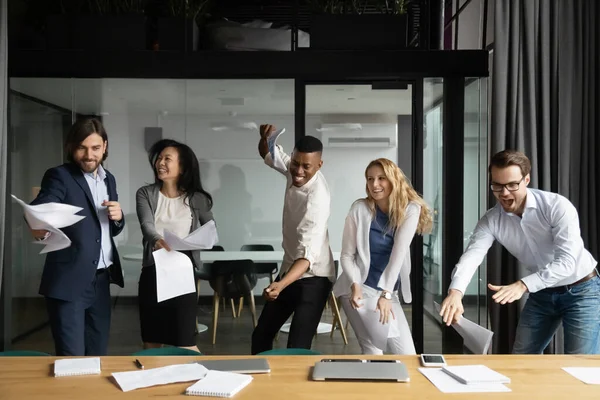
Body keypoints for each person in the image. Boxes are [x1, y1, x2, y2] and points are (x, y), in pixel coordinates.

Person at [440, 150, 600, 354]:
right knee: (521, 358)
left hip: (581, 289)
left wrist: (523, 284)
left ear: (526, 179)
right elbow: (472, 257)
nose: (504, 193)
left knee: (580, 364)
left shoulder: (556, 206)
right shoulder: (492, 220)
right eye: (497, 185)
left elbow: (567, 261)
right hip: (541, 292)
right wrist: (455, 292)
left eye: (512, 185)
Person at [29, 118, 125, 356]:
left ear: (104, 146)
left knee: (97, 355)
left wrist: (118, 217)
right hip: (69, 281)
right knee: (71, 359)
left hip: (101, 281)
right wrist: (39, 222)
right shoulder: (59, 176)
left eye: (94, 148)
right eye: (81, 148)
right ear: (71, 147)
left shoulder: (108, 179)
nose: (88, 155)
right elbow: (40, 207)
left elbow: (108, 230)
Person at [333, 158, 432, 355]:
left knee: (407, 355)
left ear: (393, 180)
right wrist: (355, 285)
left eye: (381, 178)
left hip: (386, 292)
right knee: (371, 350)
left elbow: (399, 252)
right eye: (370, 179)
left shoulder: (410, 209)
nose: (374, 184)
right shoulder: (359, 209)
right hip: (357, 290)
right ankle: (371, 385)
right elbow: (346, 255)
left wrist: (386, 294)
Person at [251, 124, 335, 354]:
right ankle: (261, 386)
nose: (297, 171)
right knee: (261, 335)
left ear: (319, 165)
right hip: (290, 269)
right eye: (295, 163)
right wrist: (264, 137)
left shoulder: (316, 201)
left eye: (306, 166)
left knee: (297, 348)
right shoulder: (294, 167)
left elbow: (306, 258)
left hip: (314, 277)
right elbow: (267, 154)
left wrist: (280, 284)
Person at [136, 139, 214, 352]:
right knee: (152, 340)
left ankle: (201, 380)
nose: (160, 162)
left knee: (185, 340)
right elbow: (146, 225)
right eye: (159, 158)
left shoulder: (197, 198)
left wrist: (202, 240)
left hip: (183, 271)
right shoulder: (146, 194)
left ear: (183, 167)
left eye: (167, 159)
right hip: (153, 271)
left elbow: (211, 228)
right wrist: (156, 240)